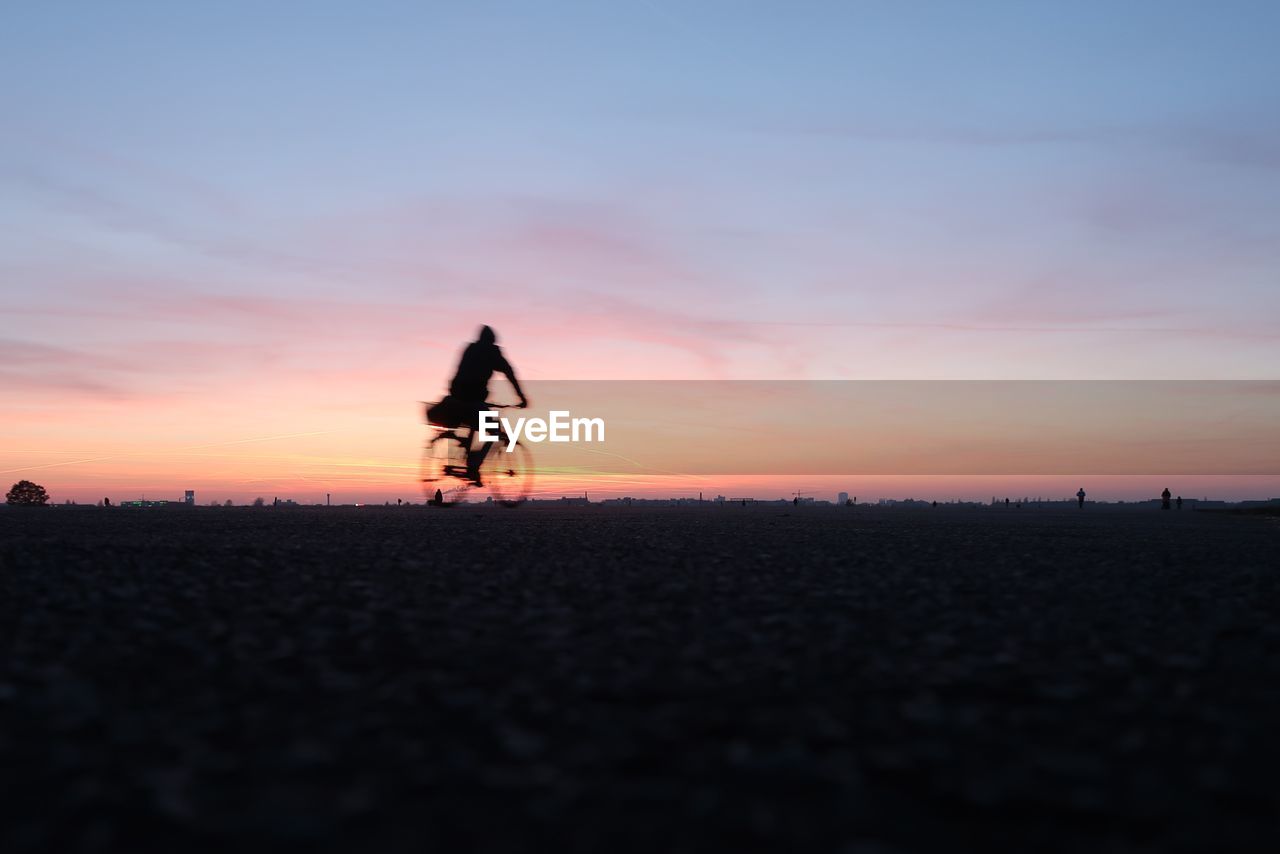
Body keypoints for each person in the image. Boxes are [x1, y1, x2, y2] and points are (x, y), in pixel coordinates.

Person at [427, 325, 528, 486]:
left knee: (474, 421)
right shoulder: (492, 353)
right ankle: (473, 466)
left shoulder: (469, 349)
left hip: (455, 398)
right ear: (492, 341)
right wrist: (522, 397)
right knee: (494, 431)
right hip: (472, 400)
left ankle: (468, 458)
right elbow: (510, 374)